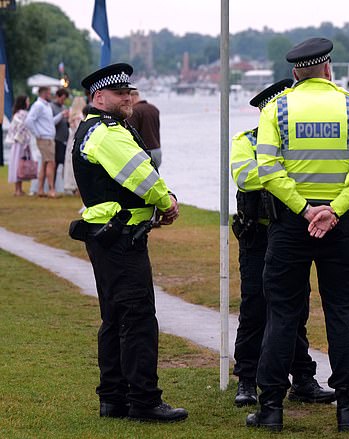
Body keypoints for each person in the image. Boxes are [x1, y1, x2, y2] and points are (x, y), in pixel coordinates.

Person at [246, 37, 349, 432]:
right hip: (337, 228)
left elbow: (268, 170)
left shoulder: (276, 109)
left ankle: (270, 407)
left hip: (290, 225)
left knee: (283, 313)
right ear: (328, 69)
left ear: (294, 73)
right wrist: (333, 211)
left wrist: (305, 210)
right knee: (341, 312)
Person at [71, 63, 187, 422]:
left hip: (109, 236)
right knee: (137, 319)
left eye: (129, 92)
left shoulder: (96, 128)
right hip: (121, 239)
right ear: (99, 98)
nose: (128, 98)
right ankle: (144, 401)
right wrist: (165, 200)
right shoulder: (108, 132)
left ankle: (114, 399)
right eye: (120, 94)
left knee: (115, 318)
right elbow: (141, 174)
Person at [230, 79, 335, 408]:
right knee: (255, 308)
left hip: (292, 233)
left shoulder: (295, 144)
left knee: (295, 309)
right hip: (258, 235)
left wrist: (281, 170)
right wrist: (280, 170)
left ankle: (302, 377)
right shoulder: (245, 141)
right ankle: (246, 379)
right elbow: (245, 177)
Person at [25, 86, 66, 198]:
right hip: (45, 138)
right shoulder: (38, 105)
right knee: (51, 163)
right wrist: (38, 133)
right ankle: (51, 190)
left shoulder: (46, 106)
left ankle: (40, 190)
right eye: (49, 93)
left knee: (44, 164)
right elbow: (29, 121)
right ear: (43, 94)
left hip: (48, 138)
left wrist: (61, 115)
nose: (51, 95)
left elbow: (50, 122)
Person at [127, 90, 161, 168]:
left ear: (132, 97)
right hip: (157, 150)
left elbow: (131, 134)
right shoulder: (154, 108)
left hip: (144, 153)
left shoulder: (134, 111)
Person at [6, 95, 32, 196]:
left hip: (17, 143)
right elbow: (23, 127)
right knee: (20, 165)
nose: (28, 103)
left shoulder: (16, 114)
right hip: (21, 143)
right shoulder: (23, 114)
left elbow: (13, 129)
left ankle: (18, 189)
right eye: (27, 101)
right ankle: (18, 190)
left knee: (17, 165)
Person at [63, 96, 86, 195]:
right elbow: (79, 130)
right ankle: (77, 187)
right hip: (76, 141)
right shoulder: (79, 116)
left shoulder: (72, 115)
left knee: (70, 164)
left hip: (70, 141)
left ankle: (71, 186)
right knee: (76, 164)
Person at [51, 88, 70, 183]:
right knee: (55, 163)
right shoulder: (51, 107)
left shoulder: (64, 107)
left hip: (64, 140)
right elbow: (51, 122)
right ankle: (52, 186)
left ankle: (62, 185)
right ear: (57, 96)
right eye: (62, 98)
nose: (63, 101)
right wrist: (61, 115)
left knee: (62, 163)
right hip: (56, 139)